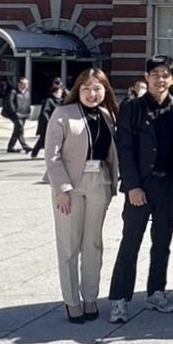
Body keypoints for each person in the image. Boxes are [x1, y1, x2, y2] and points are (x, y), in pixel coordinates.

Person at [107, 55, 173, 324]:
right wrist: (132, 186)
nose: (160, 79)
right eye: (155, 74)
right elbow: (125, 149)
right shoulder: (132, 107)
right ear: (146, 77)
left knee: (162, 242)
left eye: (165, 75)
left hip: (169, 186)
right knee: (131, 242)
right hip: (141, 185)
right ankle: (119, 299)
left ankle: (156, 292)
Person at [43, 68, 120, 324]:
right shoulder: (63, 114)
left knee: (93, 244)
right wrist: (61, 189)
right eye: (86, 88)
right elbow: (52, 156)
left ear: (105, 91)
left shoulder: (107, 115)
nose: (92, 93)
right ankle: (72, 301)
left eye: (97, 88)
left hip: (99, 182)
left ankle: (90, 297)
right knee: (69, 245)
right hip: (71, 185)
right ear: (78, 89)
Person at [31, 78, 66, 159]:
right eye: (58, 92)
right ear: (54, 93)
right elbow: (44, 113)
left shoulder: (61, 101)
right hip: (48, 123)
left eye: (61, 92)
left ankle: (58, 154)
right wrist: (49, 122)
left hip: (58, 123)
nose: (60, 94)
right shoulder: (49, 100)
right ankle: (34, 153)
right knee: (43, 139)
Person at [3, 77, 31, 153]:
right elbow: (10, 102)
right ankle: (25, 147)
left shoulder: (27, 92)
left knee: (17, 130)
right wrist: (14, 112)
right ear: (19, 84)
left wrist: (28, 112)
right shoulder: (13, 91)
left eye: (27, 84)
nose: (26, 85)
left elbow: (28, 103)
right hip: (15, 114)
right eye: (24, 84)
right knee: (20, 129)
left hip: (24, 113)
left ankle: (10, 147)